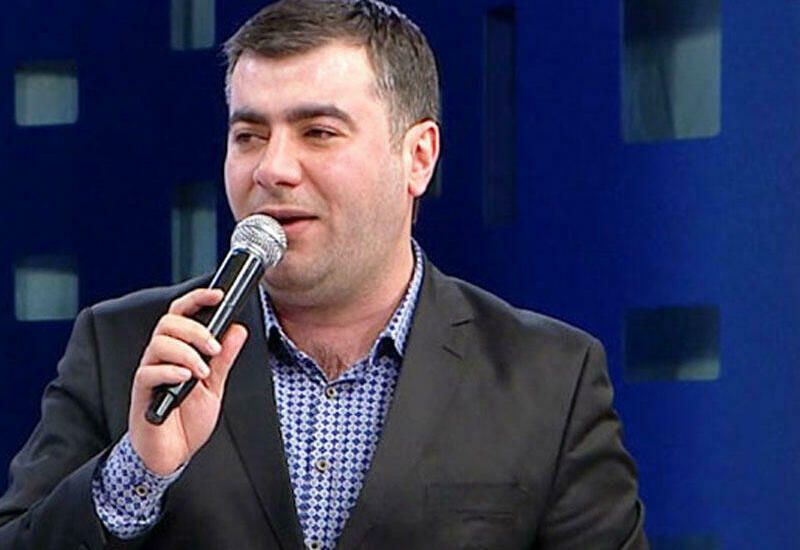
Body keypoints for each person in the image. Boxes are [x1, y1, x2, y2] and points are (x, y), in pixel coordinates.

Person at [0, 1, 648, 548]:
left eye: (318, 132)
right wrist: (137, 472)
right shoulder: (126, 350)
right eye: (249, 135)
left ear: (418, 157)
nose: (272, 169)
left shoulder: (549, 379)